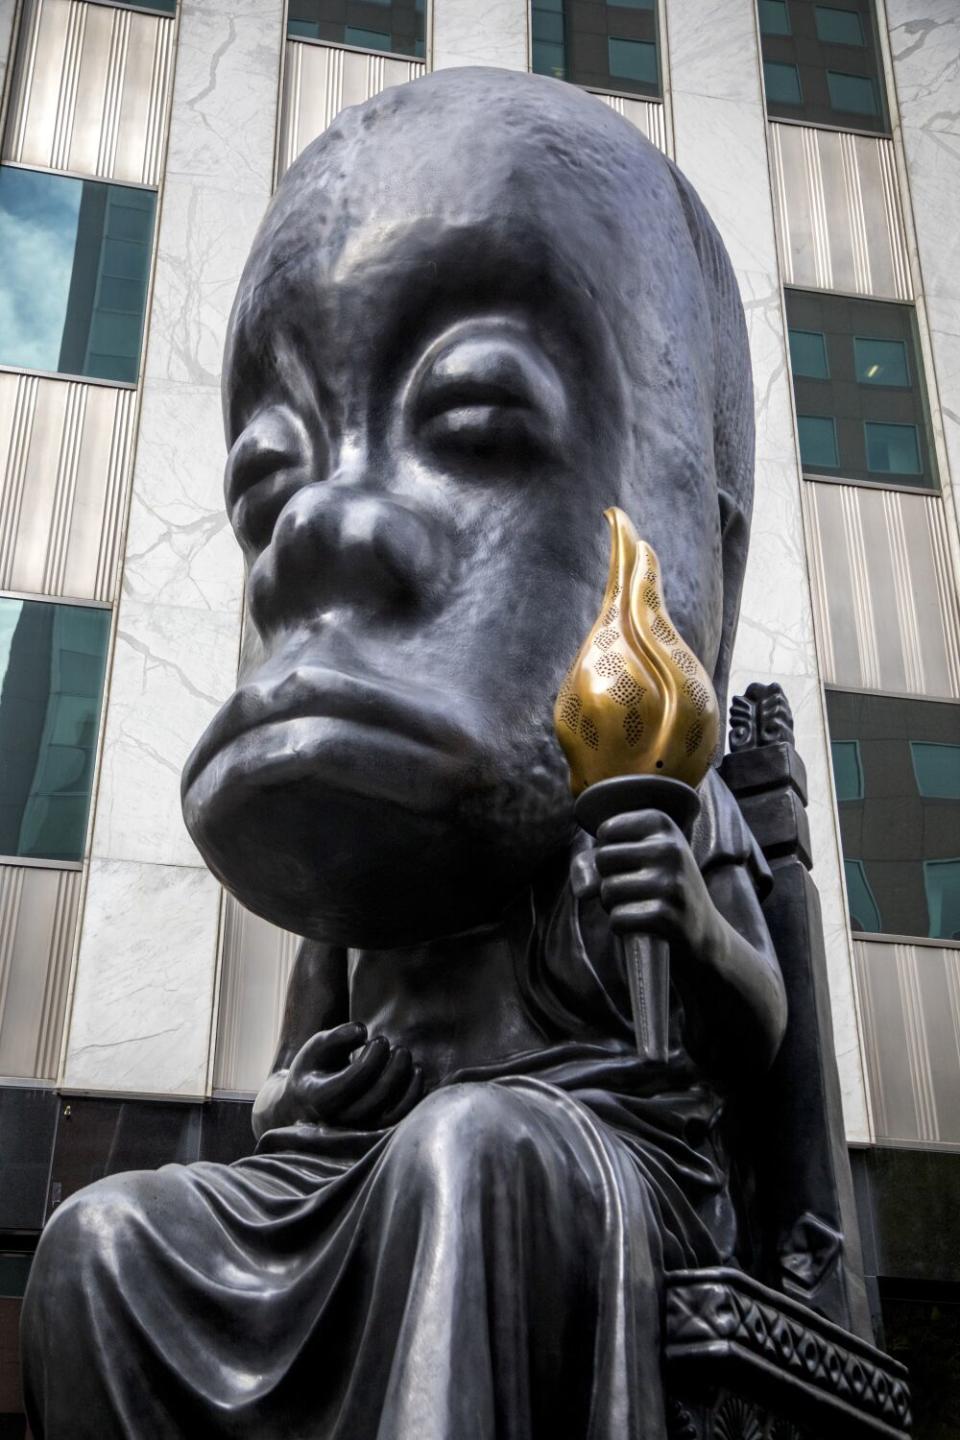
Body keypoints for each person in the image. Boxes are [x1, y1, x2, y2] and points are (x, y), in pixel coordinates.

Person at [22, 67, 787, 1439]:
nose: (316, 531)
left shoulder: (659, 784)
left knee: (470, 1149)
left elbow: (756, 1027)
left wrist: (692, 923)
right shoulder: (355, 867)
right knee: (104, 1238)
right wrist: (302, 1090)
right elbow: (292, 1075)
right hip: (364, 1164)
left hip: (587, 1153)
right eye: (275, 477)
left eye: (474, 421)